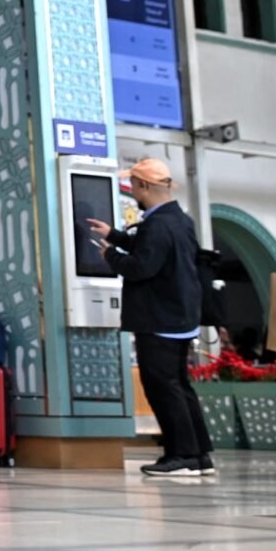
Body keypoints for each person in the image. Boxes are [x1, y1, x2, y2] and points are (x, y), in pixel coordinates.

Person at [87, 159, 214, 480]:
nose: (133, 192)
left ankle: (181, 455)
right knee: (179, 386)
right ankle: (199, 454)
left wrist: (110, 255)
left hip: (159, 319)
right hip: (180, 317)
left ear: (143, 186)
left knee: (162, 388)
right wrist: (116, 236)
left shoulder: (157, 225)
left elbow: (141, 267)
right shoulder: (178, 220)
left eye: (134, 186)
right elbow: (154, 251)